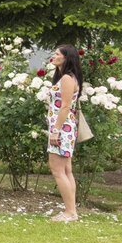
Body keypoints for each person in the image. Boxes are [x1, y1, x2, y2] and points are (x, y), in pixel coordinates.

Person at [46, 44, 82, 222]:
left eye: (57, 54)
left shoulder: (67, 79)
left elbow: (65, 106)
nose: (54, 56)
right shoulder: (65, 77)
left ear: (67, 58)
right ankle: (71, 210)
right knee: (66, 170)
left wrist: (56, 131)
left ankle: (70, 212)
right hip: (64, 128)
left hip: (62, 129)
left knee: (57, 169)